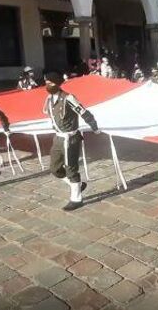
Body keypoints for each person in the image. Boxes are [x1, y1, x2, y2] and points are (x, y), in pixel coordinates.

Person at [43, 72, 100, 211]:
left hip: (70, 138)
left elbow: (83, 112)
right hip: (58, 138)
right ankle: (78, 185)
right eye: (46, 83)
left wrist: (94, 126)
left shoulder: (68, 98)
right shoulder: (49, 99)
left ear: (57, 83)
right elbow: (46, 112)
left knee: (71, 169)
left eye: (50, 83)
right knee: (55, 169)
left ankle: (76, 199)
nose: (47, 85)